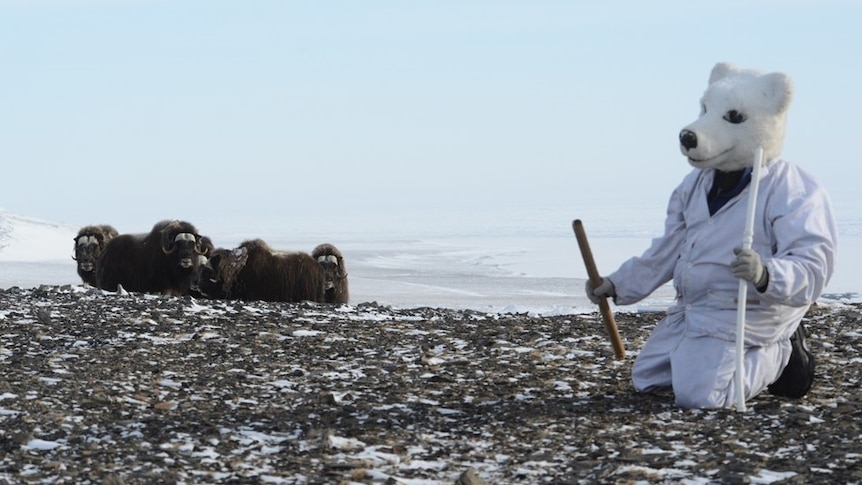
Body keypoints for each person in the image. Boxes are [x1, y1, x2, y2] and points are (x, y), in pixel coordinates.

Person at [586, 63, 838, 409]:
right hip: (696, 309)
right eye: (706, 111)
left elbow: (813, 264)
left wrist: (767, 275)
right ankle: (711, 356)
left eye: (732, 117)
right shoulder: (694, 186)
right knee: (648, 379)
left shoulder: (793, 189)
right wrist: (616, 284)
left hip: (749, 312)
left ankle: (781, 354)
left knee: (702, 396)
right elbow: (669, 249)